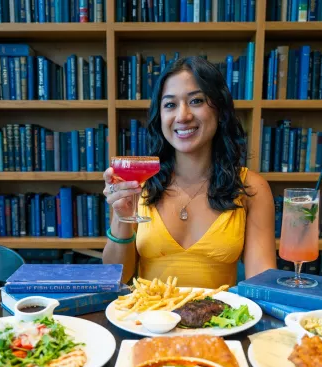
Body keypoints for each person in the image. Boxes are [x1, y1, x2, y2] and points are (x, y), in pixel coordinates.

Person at [102, 56, 276, 289]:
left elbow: (262, 286)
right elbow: (116, 278)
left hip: (219, 323)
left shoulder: (251, 187)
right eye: (170, 105)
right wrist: (122, 216)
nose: (182, 116)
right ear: (160, 117)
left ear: (219, 109)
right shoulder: (139, 181)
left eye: (196, 101)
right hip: (146, 322)